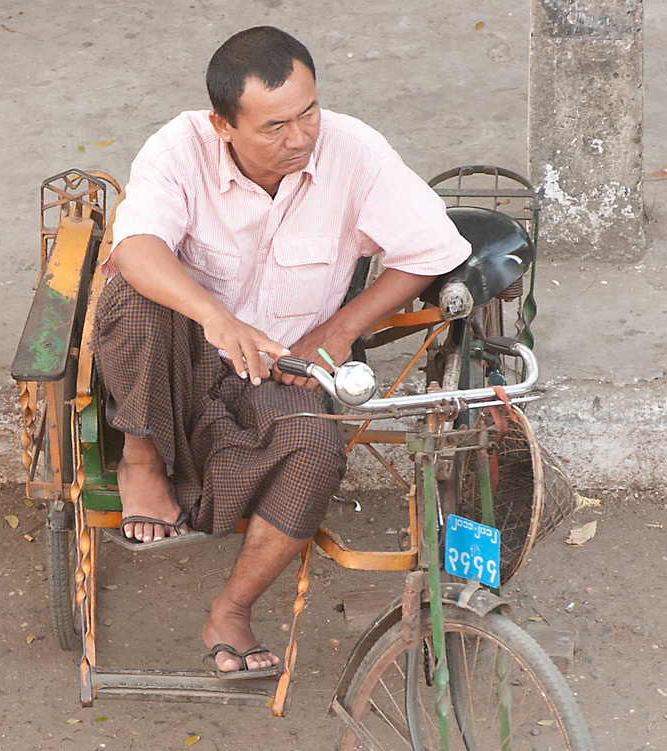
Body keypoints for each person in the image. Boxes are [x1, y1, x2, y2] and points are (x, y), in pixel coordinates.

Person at [95, 25, 469, 678]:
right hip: (174, 360)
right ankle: (142, 458)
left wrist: (341, 328)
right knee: (133, 293)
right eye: (273, 127)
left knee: (318, 447)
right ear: (222, 125)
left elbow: (434, 250)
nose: (298, 139)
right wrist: (215, 318)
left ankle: (232, 608)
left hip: (280, 367)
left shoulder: (354, 152)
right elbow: (135, 247)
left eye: (308, 113)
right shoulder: (178, 147)